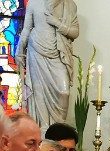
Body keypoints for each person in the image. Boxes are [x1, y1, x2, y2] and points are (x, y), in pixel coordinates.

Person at [17, 0, 79, 128]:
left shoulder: (70, 5)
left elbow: (75, 32)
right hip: (37, 52)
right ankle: (44, 132)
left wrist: (57, 23)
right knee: (39, 93)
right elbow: (27, 29)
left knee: (64, 92)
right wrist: (19, 50)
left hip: (58, 53)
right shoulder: (34, 3)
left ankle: (58, 130)